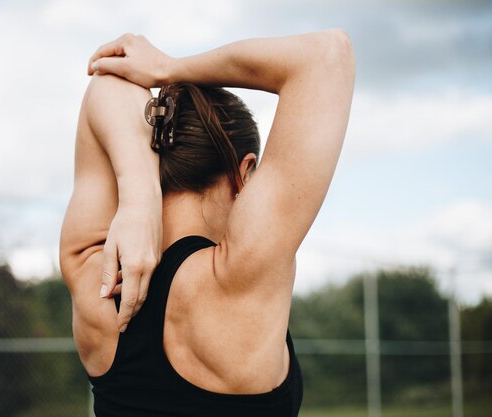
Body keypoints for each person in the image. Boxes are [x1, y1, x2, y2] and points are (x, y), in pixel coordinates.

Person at [60, 29, 355, 417]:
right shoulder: (241, 275)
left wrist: (137, 197)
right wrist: (168, 68)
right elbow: (328, 54)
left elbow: (106, 79)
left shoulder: (93, 274)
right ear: (245, 173)